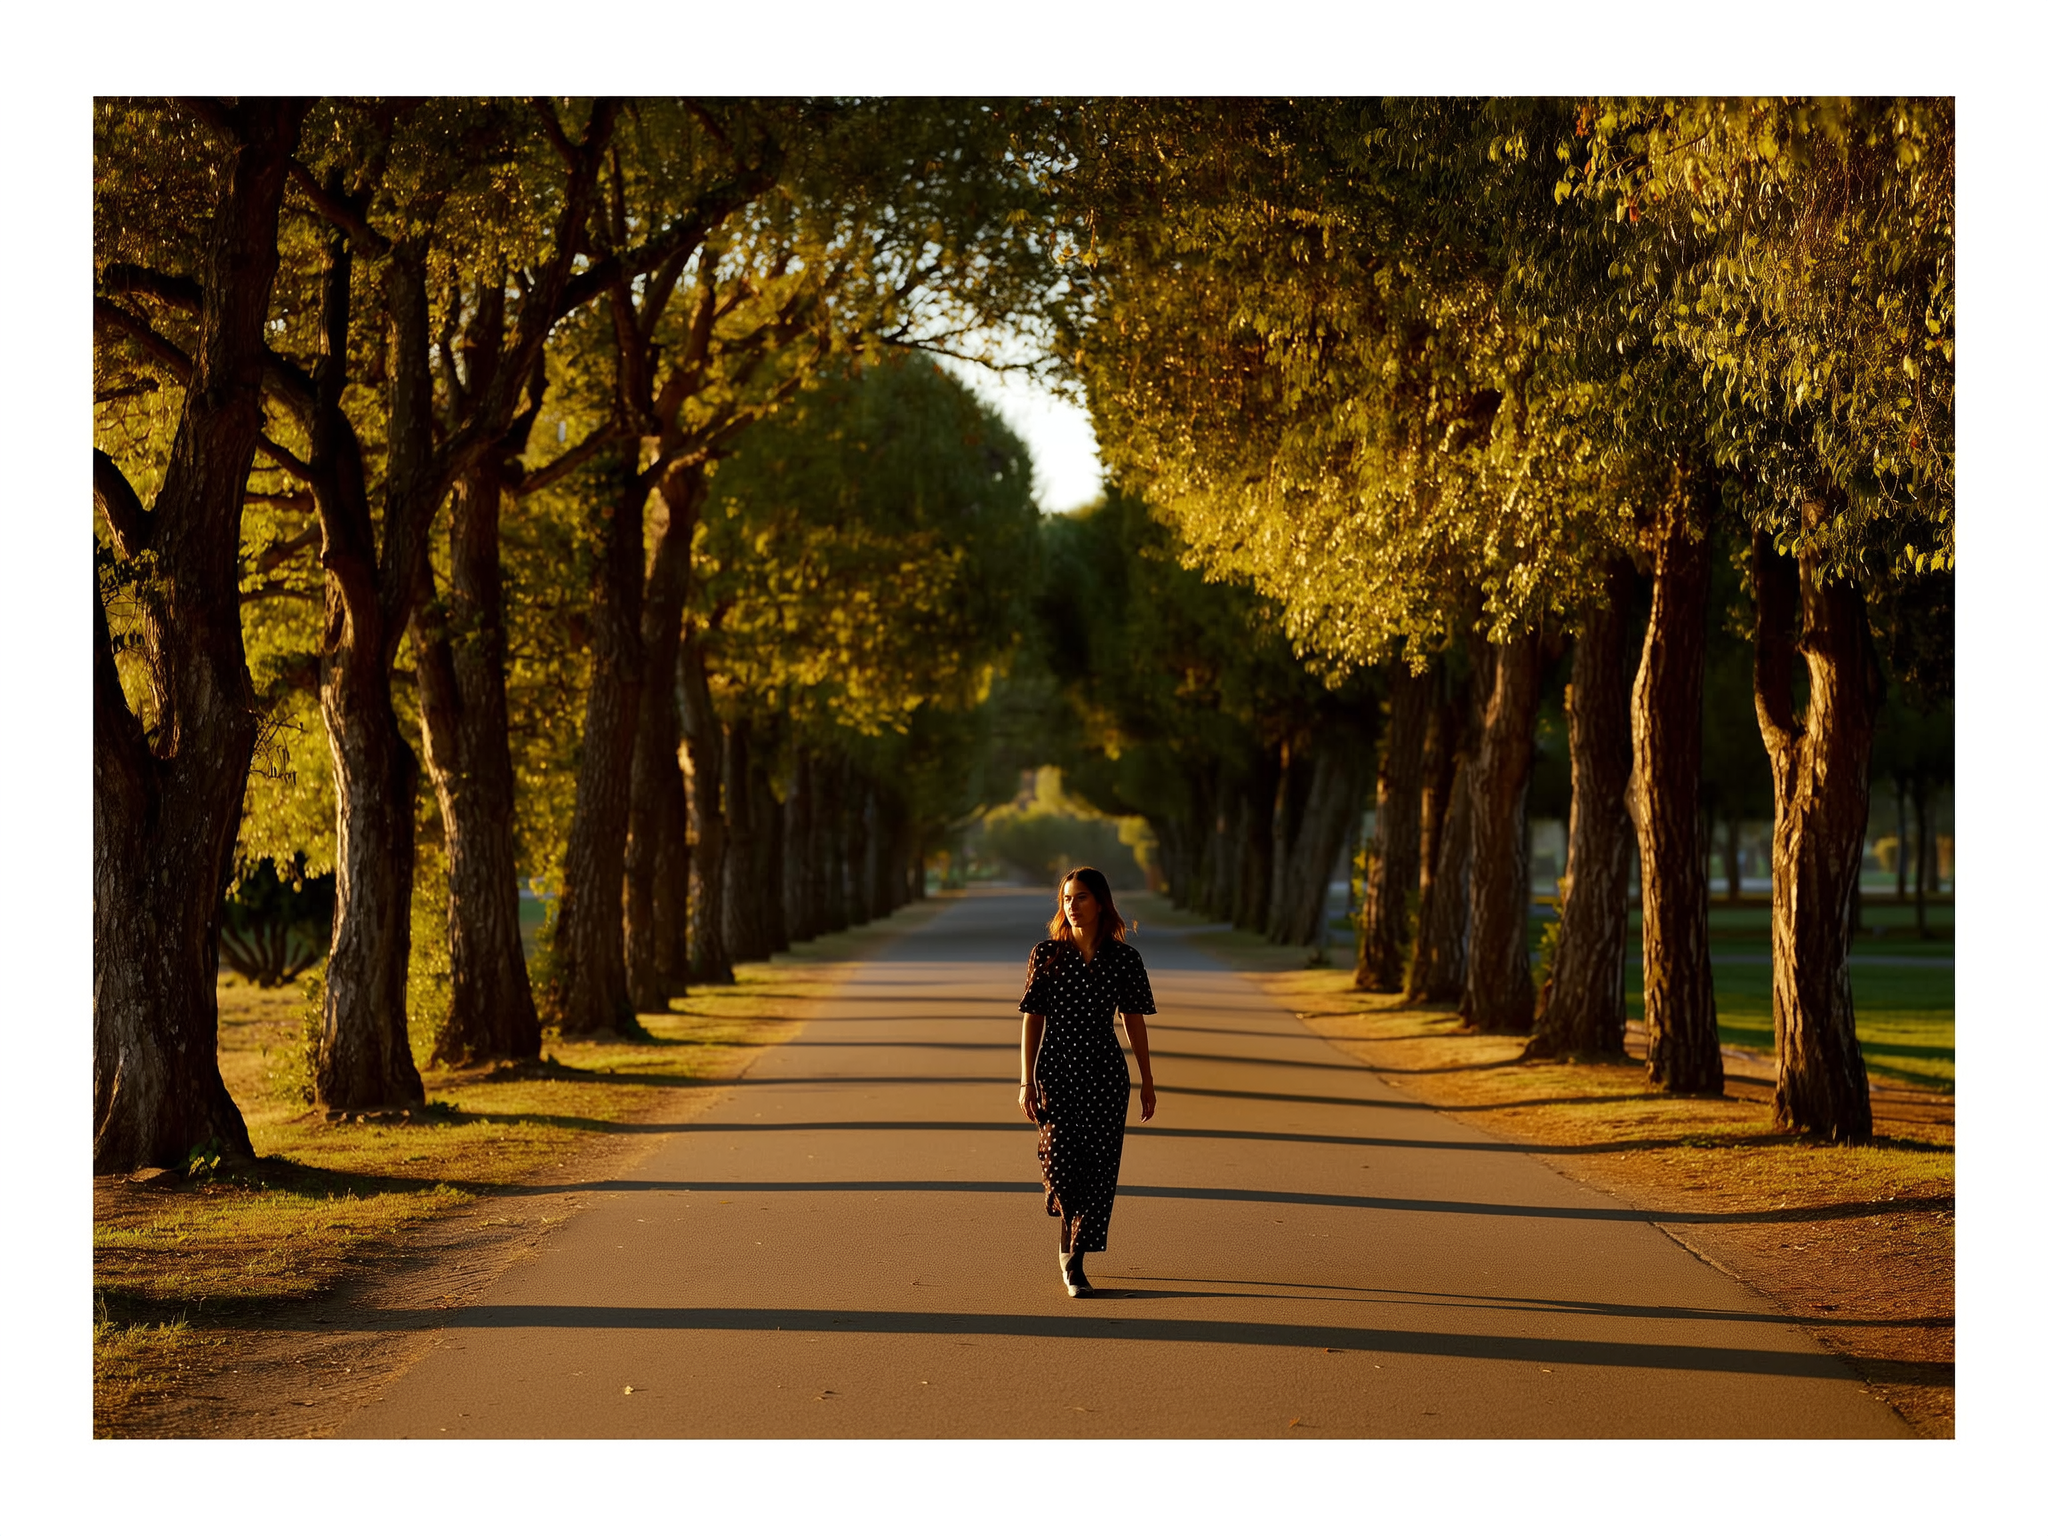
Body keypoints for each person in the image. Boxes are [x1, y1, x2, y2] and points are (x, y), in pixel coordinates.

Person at [1017, 866, 1157, 1298]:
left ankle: (1074, 1259)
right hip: (1056, 1072)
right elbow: (1032, 1019)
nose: (1071, 907)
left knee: (1098, 1170)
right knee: (1059, 1162)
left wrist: (1147, 1081)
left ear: (1100, 902)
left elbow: (1133, 1020)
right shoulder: (1047, 954)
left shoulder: (1124, 959)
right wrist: (1026, 1081)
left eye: (1080, 898)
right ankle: (1067, 1231)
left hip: (1104, 1074)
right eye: (1065, 899)